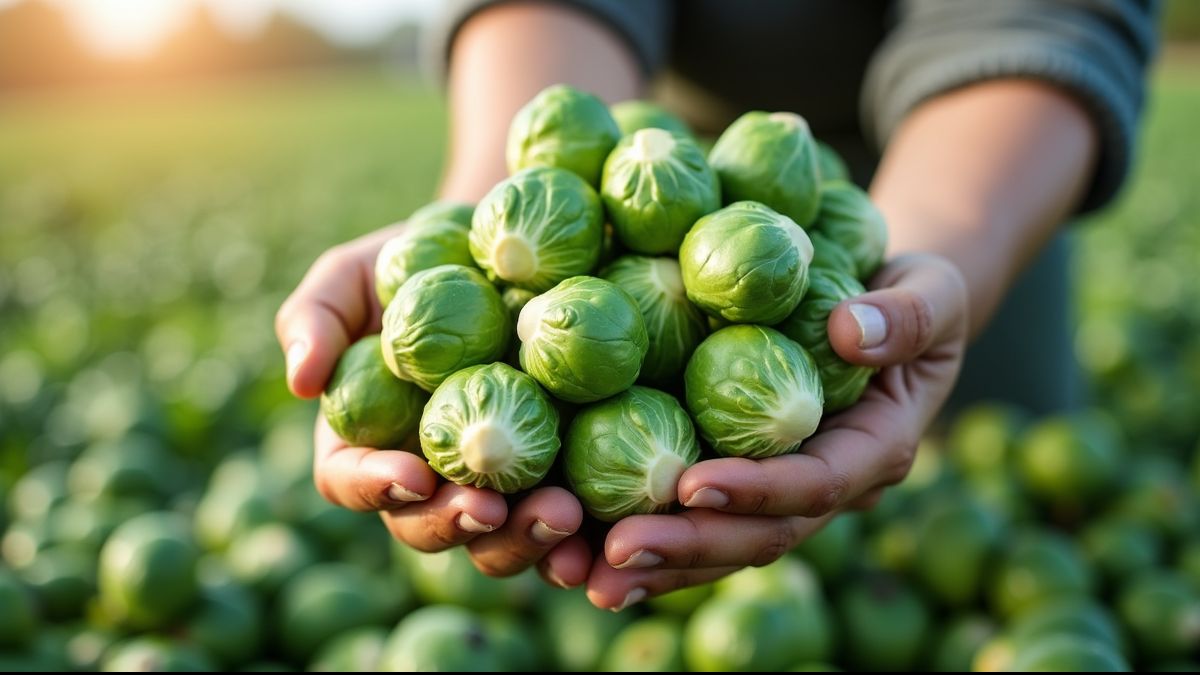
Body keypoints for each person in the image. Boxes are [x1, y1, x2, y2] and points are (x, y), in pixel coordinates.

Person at [274, 1, 1159, 611]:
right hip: (689, 166)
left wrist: (950, 243)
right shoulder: (622, 216)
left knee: (999, 519)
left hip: (973, 199)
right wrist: (491, 206)